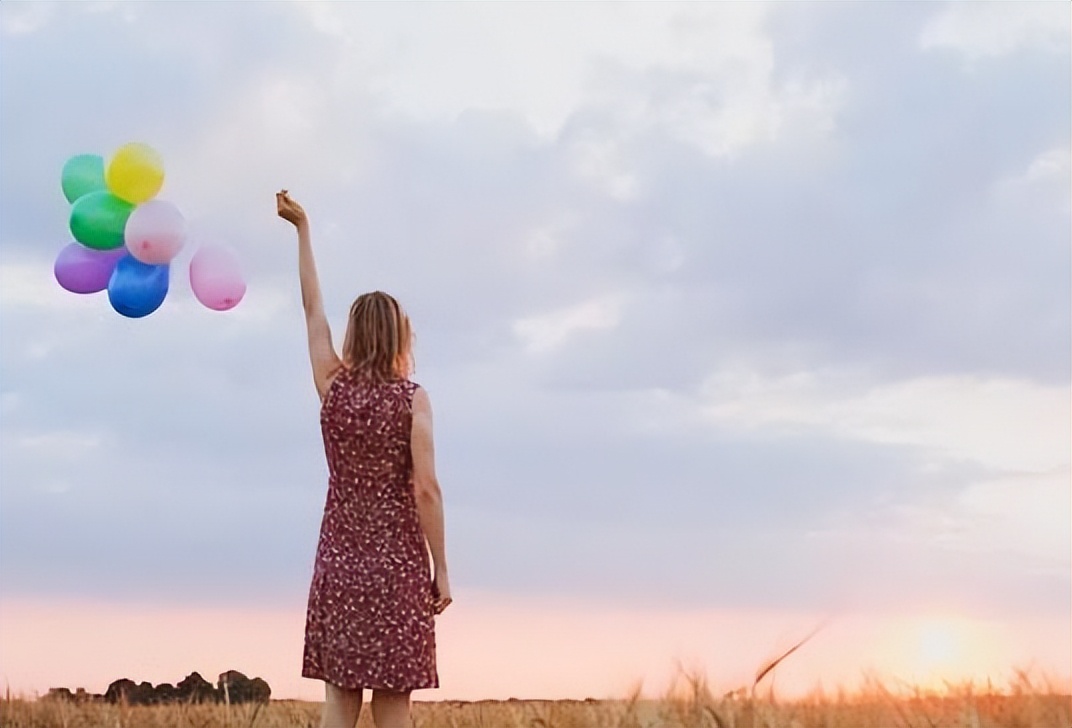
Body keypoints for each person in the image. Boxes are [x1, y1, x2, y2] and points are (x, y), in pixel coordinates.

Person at [276, 190, 452, 728]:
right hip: (398, 566)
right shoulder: (412, 399)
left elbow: (311, 309)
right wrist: (440, 567)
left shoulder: (332, 385)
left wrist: (302, 231)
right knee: (394, 701)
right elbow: (426, 490)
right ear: (401, 335)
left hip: (341, 561)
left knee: (341, 699)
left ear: (353, 334)